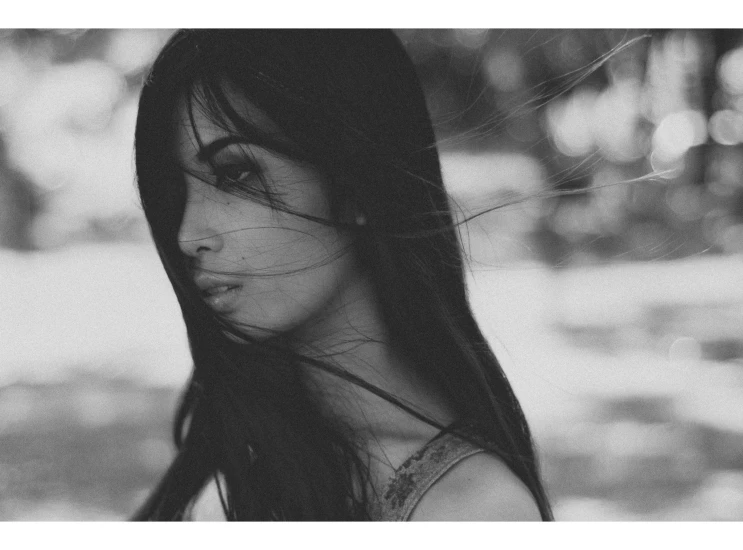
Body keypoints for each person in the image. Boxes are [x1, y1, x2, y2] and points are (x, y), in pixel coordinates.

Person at [133, 29, 553, 521]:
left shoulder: (472, 511)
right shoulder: (238, 452)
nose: (188, 235)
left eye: (235, 173)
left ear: (354, 179)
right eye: (176, 192)